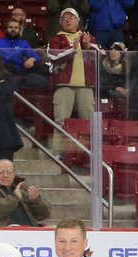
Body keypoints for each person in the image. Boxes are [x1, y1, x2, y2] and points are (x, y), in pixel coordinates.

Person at [47, 8, 99, 151]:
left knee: (87, 122)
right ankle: (58, 153)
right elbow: (53, 57)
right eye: (64, 18)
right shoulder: (56, 39)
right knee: (61, 121)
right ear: (61, 23)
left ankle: (88, 153)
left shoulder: (88, 37)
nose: (68, 20)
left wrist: (89, 46)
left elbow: (101, 56)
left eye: (71, 17)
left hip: (86, 86)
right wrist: (73, 49)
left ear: (78, 21)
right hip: (64, 85)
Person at [0, 16, 48, 89]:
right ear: (6, 30)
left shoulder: (23, 43)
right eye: (10, 27)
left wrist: (32, 59)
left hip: (19, 73)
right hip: (2, 72)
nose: (13, 29)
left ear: (19, 30)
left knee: (42, 70)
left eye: (16, 28)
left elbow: (37, 57)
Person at [0, 158, 53, 226]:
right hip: (5, 232)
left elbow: (45, 214)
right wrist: (15, 198)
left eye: (9, 172)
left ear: (14, 174)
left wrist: (35, 200)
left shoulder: (22, 187)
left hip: (29, 230)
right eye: (1, 172)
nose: (5, 175)